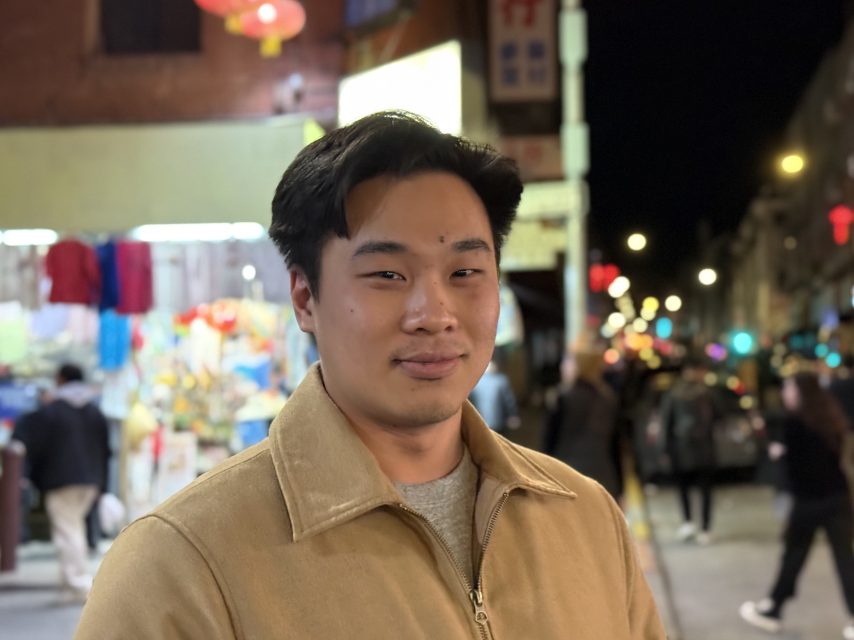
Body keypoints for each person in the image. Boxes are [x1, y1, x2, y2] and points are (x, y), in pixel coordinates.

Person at [76, 112, 665, 639]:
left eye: (465, 271)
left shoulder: (586, 519)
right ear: (305, 298)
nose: (434, 315)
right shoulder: (179, 565)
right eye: (387, 274)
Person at [740, 372, 854, 639]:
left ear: (801, 391)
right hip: (838, 498)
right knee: (844, 560)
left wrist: (782, 455)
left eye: (789, 388)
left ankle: (772, 609)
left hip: (809, 502)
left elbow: (800, 470)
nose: (785, 393)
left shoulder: (795, 424)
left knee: (793, 556)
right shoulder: (830, 416)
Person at [12, 364, 110, 600]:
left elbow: (27, 438)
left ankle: (78, 583)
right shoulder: (95, 412)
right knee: (74, 529)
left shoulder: (52, 411)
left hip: (62, 481)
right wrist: (102, 485)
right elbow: (106, 450)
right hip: (90, 481)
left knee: (68, 532)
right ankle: (70, 583)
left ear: (60, 379)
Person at [544, 348, 622, 502]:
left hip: (567, 477)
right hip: (603, 479)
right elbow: (616, 447)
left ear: (578, 366)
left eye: (568, 362)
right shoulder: (609, 399)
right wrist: (620, 490)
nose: (564, 366)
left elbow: (548, 446)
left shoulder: (561, 398)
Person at [658, 357, 720, 544]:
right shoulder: (707, 393)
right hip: (704, 448)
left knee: (684, 487)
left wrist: (665, 449)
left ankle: (688, 522)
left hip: (681, 447)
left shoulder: (674, 393)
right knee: (705, 489)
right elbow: (720, 415)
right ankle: (705, 528)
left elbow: (666, 423)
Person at [468, 356, 520, 433]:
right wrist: (512, 415)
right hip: (498, 422)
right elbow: (509, 401)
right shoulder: (501, 380)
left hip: (479, 422)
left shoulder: (474, 382)